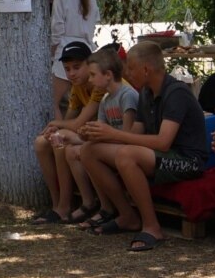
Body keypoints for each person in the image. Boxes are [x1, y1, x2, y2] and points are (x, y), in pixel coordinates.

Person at [78, 39, 207, 252]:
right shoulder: (146, 93)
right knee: (89, 151)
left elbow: (163, 142)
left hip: (188, 161)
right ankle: (127, 216)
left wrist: (112, 134)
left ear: (146, 69)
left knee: (127, 155)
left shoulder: (176, 93)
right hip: (161, 155)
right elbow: (133, 134)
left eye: (130, 66)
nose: (126, 72)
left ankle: (152, 226)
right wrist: (97, 135)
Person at [34, 42, 106, 225]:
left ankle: (64, 205)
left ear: (90, 65)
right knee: (41, 142)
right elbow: (70, 119)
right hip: (88, 132)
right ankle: (56, 201)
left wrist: (56, 124)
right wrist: (56, 127)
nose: (71, 73)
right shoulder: (77, 87)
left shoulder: (98, 84)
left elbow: (77, 123)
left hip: (101, 134)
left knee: (60, 140)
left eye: (76, 67)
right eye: (67, 69)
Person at [49, 0, 98, 121]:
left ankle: (60, 136)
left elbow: (57, 30)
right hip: (86, 51)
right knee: (84, 99)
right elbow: (93, 26)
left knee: (53, 101)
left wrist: (52, 54)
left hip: (66, 50)